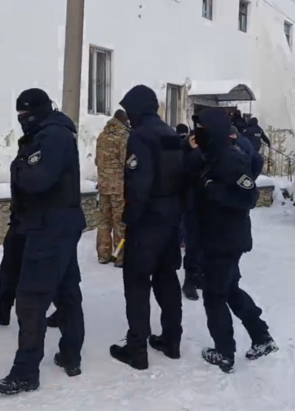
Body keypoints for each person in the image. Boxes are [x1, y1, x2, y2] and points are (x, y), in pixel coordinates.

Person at [0, 88, 86, 395]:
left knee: (31, 300)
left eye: (25, 115)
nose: (21, 120)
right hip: (55, 224)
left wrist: (17, 167)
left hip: (49, 227)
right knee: (67, 290)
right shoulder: (51, 132)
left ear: (39, 112)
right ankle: (71, 355)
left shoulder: (52, 136)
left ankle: (26, 372)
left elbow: (37, 179)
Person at [188, 108, 277, 374]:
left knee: (215, 296)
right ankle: (262, 337)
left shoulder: (231, 158)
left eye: (202, 127)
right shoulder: (213, 154)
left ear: (214, 130)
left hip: (225, 239)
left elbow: (248, 196)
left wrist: (212, 189)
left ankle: (224, 352)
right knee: (230, 290)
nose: (197, 132)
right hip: (216, 236)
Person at [109, 85, 185, 370]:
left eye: (129, 111)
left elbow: (139, 183)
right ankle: (171, 341)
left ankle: (137, 349)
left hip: (147, 223)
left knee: (137, 285)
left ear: (136, 109)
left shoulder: (141, 136)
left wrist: (130, 218)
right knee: (167, 281)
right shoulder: (169, 134)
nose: (127, 117)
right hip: (171, 221)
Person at [0, 200, 61, 329]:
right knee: (9, 267)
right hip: (20, 220)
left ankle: (64, 309)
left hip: (44, 223)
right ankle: (1, 310)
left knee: (47, 269)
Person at [95, 109, 129, 267]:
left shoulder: (102, 136)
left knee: (104, 222)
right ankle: (119, 256)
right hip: (118, 187)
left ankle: (103, 254)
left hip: (103, 186)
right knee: (120, 223)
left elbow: (97, 160)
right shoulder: (123, 136)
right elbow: (125, 161)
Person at [181, 129, 202, 301]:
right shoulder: (187, 151)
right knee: (194, 245)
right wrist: (191, 149)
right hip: (193, 205)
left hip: (209, 206)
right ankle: (189, 280)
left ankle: (200, 275)